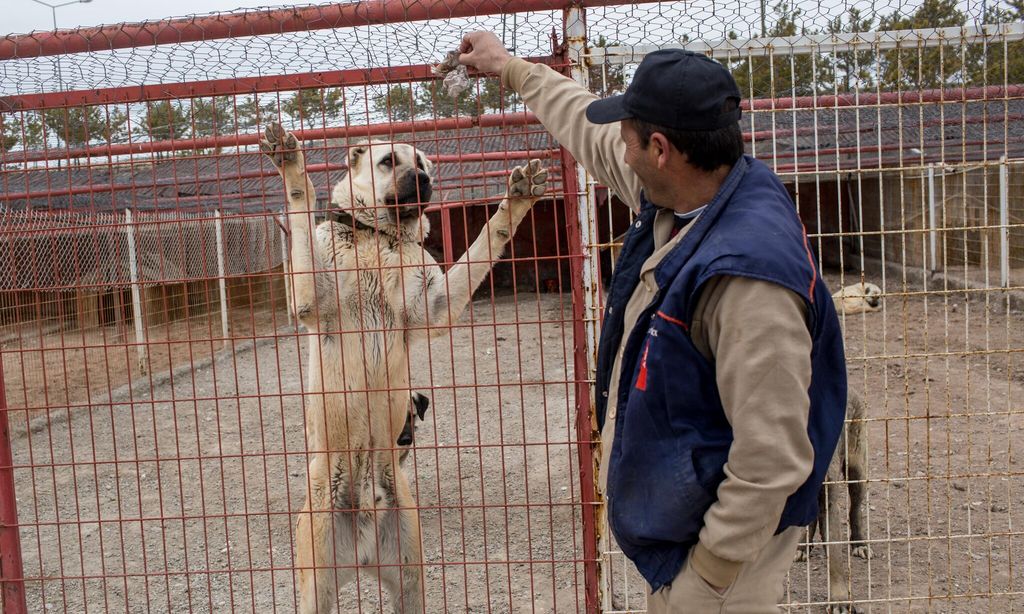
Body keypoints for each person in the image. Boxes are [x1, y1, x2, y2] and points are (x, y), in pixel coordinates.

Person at [458, 32, 848, 612]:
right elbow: (586, 129)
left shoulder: (748, 280)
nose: (619, 144)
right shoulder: (692, 190)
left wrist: (706, 579)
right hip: (691, 521)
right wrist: (510, 68)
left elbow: (771, 462)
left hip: (727, 558)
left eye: (630, 134)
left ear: (661, 149)